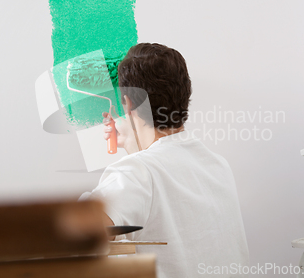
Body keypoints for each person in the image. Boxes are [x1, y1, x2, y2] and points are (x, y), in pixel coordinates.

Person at [79, 43, 249, 277]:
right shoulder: (218, 165)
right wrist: (132, 142)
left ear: (128, 104)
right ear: (185, 95)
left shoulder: (137, 174)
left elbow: (77, 234)